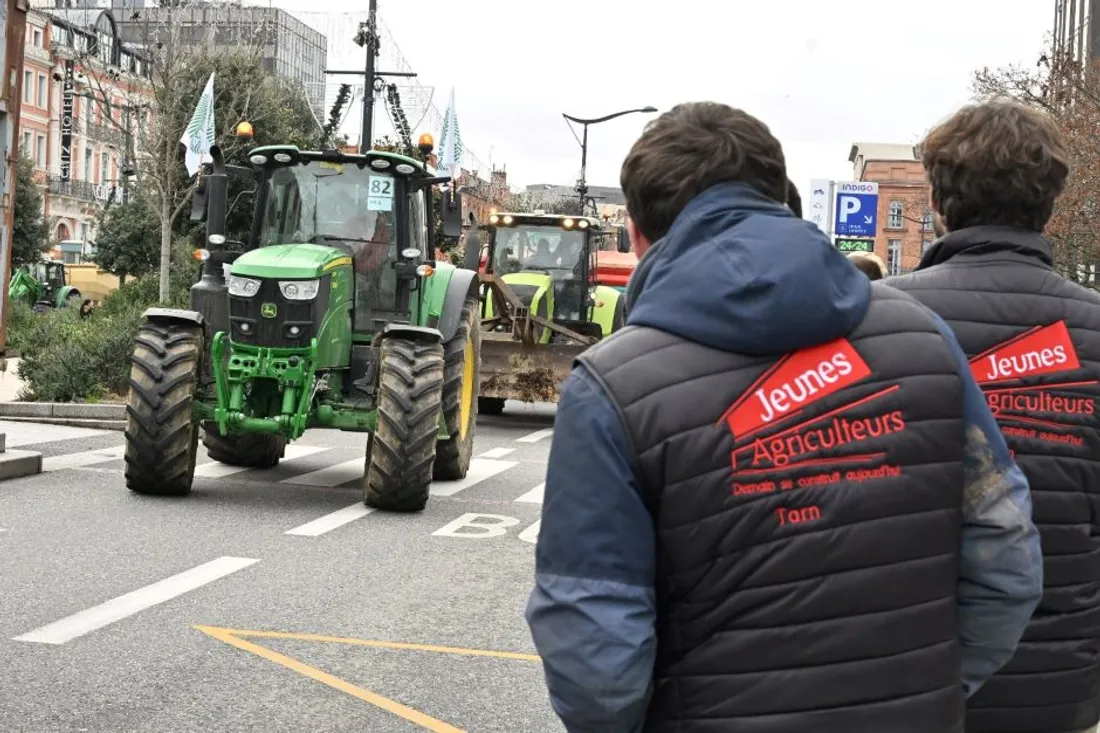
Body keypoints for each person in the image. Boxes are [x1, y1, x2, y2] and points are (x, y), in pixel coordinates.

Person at [525, 101, 1043, 733]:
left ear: (634, 234)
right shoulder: (924, 341)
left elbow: (597, 657)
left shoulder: (610, 387)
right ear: (780, 201)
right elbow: (1006, 555)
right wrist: (934, 692)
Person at [885, 100, 1100, 733]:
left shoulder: (875, 324)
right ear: (1051, 201)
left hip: (906, 669)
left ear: (940, 200)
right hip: (1060, 680)